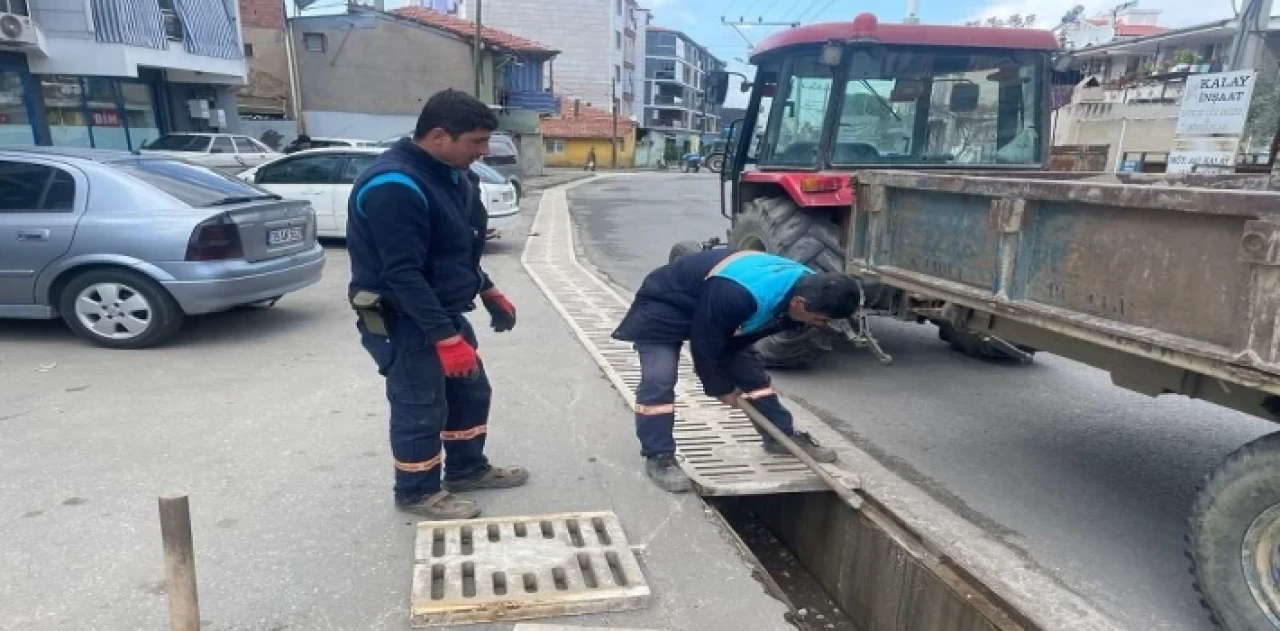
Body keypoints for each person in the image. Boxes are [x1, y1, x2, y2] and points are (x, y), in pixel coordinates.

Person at [346, 89, 528, 520]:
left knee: (468, 391)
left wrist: (486, 289)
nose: (484, 151)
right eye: (477, 141)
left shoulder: (453, 175)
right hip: (402, 318)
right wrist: (445, 339)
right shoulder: (394, 186)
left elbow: (451, 250)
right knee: (421, 404)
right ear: (440, 135)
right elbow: (403, 274)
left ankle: (466, 470)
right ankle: (416, 491)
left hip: (441, 311)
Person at [611, 248, 860, 493]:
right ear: (800, 303)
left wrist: (737, 370)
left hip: (711, 308)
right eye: (821, 319)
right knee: (659, 379)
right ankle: (659, 457)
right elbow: (705, 343)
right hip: (665, 306)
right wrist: (721, 388)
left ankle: (780, 437)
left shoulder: (806, 286)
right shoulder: (739, 294)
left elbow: (734, 337)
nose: (822, 325)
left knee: (754, 378)